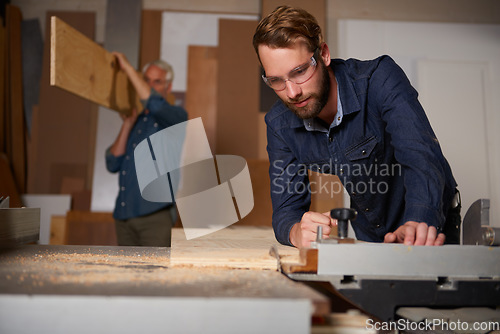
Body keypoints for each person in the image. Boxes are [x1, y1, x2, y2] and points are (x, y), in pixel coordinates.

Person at [253, 6, 461, 248]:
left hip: (430, 224)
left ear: (324, 54)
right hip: (371, 236)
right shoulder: (279, 124)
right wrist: (296, 231)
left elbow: (421, 157)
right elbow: (286, 206)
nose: (292, 92)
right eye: (276, 80)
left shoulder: (380, 80)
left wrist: (418, 222)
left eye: (299, 72)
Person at [106, 53, 187, 246]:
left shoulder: (175, 116)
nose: (150, 86)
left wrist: (127, 68)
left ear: (168, 87)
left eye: (157, 82)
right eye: (146, 80)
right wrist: (127, 124)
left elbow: (154, 104)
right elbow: (112, 163)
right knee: (127, 276)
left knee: (154, 275)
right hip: (123, 217)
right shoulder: (137, 121)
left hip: (154, 218)